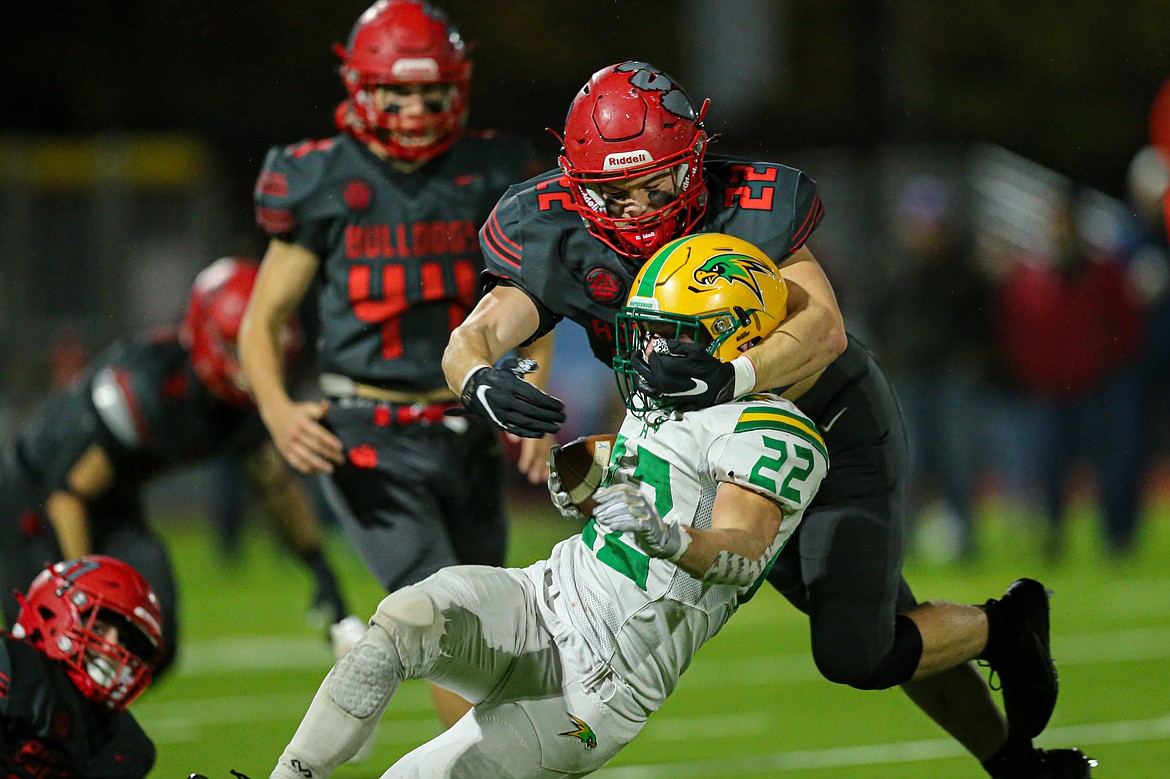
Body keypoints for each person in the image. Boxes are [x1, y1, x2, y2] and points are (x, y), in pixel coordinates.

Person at [441, 61, 1093, 777]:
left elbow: (823, 328)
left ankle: (1008, 625)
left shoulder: (747, 202)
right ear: (576, 182)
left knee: (856, 648)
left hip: (820, 428)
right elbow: (481, 330)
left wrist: (732, 373)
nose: (635, 208)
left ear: (692, 162)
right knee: (872, 631)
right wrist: (480, 379)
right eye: (610, 191)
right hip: (713, 454)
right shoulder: (553, 225)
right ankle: (1014, 760)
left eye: (655, 184)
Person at [270, 233, 831, 777]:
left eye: (671, 334)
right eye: (650, 332)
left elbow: (746, 552)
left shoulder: (774, 429)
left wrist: (668, 537)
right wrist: (591, 483)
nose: (652, 349)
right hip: (544, 596)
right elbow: (657, 482)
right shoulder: (665, 398)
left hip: (602, 681)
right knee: (405, 618)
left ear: (742, 336)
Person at [240, 0, 554, 728]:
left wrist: (529, 391)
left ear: (457, 85)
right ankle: (484, 765)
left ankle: (492, 757)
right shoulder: (321, 177)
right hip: (368, 428)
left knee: (493, 614)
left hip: (466, 419)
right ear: (360, 87)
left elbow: (531, 292)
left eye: (428, 90)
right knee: (446, 613)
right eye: (397, 91)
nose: (414, 107)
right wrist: (278, 409)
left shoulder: (491, 169)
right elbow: (262, 319)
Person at [0, 257, 353, 678]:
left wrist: (320, 567)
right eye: (238, 348)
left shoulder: (243, 406)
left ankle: (94, 733)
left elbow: (274, 483)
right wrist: (85, 592)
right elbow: (68, 496)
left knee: (152, 642)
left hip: (111, 506)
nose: (251, 367)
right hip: (34, 503)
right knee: (60, 653)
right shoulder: (148, 386)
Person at [995, 186, 1146, 559]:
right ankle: (1053, 535)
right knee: (1050, 468)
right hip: (1048, 389)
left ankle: (1116, 536)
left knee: (1110, 465)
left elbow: (1125, 324)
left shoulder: (1101, 273)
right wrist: (1029, 370)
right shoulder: (1030, 277)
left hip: (1096, 385)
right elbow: (1015, 330)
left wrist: (1107, 363)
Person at [1, 555, 163, 778]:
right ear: (51, 613)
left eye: (125, 642)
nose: (114, 648)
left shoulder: (124, 744)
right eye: (98, 629)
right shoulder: (13, 669)